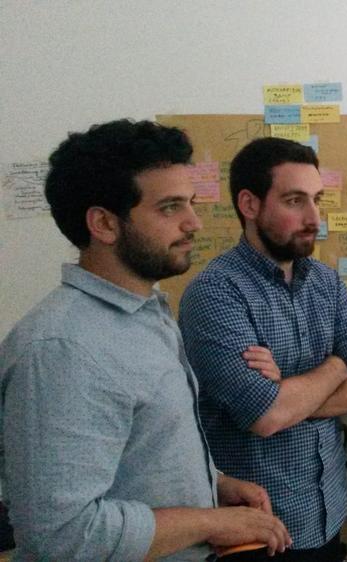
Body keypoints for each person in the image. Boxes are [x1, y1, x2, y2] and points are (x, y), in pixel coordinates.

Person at [0, 119, 291, 560]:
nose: (194, 223)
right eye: (170, 207)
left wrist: (212, 484)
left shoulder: (145, 314)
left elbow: (139, 450)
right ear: (104, 223)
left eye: (190, 203)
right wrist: (211, 521)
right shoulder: (63, 350)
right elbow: (62, 535)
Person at [179, 137, 347, 560]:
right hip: (256, 529)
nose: (313, 218)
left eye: (316, 200)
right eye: (294, 201)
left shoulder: (327, 283)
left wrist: (287, 391)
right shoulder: (215, 293)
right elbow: (266, 416)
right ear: (249, 205)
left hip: (326, 515)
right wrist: (337, 365)